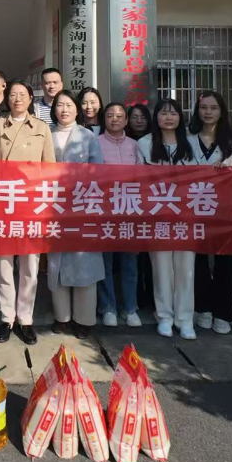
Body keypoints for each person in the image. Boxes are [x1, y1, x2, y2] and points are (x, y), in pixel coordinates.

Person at [0, 80, 55, 345]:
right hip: (3, 201)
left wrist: (45, 203)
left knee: (29, 266)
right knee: (3, 265)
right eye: (13, 94)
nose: (17, 98)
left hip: (30, 203)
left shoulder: (41, 128)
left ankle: (25, 318)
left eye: (22, 94)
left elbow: (50, 168)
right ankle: (6, 317)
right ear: (7, 99)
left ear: (30, 99)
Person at [137, 98, 198, 340]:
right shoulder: (144, 143)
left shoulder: (192, 142)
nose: (169, 117)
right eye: (163, 113)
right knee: (161, 268)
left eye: (174, 113)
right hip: (157, 215)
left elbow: (203, 177)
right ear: (156, 118)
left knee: (186, 268)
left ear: (181, 117)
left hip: (186, 216)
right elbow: (137, 179)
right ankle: (164, 316)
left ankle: (185, 318)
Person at [189, 91, 232, 336]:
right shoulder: (188, 139)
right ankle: (203, 308)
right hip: (194, 208)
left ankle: (223, 312)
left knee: (224, 261)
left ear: (221, 111)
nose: (208, 112)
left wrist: (231, 170)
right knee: (198, 260)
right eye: (204, 108)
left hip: (224, 211)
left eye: (213, 108)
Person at [48, 90, 104, 338]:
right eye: (60, 105)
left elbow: (99, 172)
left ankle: (84, 320)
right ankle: (62, 318)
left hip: (83, 205)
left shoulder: (88, 136)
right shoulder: (46, 134)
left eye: (69, 105)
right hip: (53, 206)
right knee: (57, 262)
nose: (64, 110)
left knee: (84, 262)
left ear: (77, 109)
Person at [97, 102, 142, 328]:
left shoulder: (136, 145)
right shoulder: (95, 143)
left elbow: (144, 178)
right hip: (104, 212)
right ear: (104, 119)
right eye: (110, 115)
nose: (114, 119)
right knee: (105, 263)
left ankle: (130, 308)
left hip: (130, 211)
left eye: (119, 116)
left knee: (129, 263)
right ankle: (108, 308)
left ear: (126, 120)